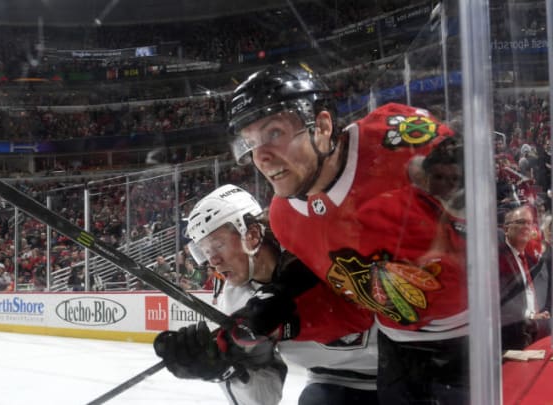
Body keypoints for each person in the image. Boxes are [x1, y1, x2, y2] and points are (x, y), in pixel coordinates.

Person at [227, 62, 464, 404]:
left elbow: (496, 212)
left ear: (321, 126)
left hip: (489, 330)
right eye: (250, 144)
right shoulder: (285, 219)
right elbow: (356, 307)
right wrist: (286, 317)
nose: (261, 156)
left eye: (274, 132)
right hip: (401, 353)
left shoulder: (393, 136)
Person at [154, 184, 378, 404]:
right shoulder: (235, 300)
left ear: (250, 235)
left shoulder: (312, 246)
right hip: (332, 384)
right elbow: (265, 397)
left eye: (218, 245)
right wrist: (226, 370)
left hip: (401, 359)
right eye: (205, 251)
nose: (213, 261)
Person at [499, 203, 551, 351]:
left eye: (530, 223)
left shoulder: (529, 259)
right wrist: (529, 314)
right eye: (521, 222)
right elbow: (502, 298)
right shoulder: (500, 258)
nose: (527, 226)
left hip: (533, 331)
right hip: (511, 335)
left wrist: (541, 313)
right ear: (506, 229)